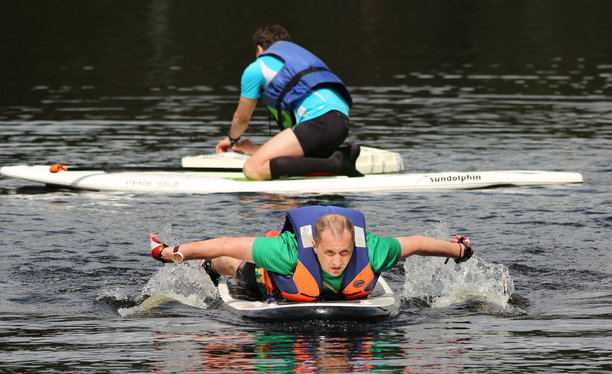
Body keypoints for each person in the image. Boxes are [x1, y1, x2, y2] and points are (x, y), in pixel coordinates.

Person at [150, 206, 473, 302]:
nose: (337, 261)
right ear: (314, 246)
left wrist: (459, 249)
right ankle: (213, 269)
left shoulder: (374, 249)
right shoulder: (286, 251)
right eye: (329, 252)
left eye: (345, 252)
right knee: (231, 264)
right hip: (270, 280)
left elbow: (416, 243)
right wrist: (170, 253)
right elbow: (221, 243)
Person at [215, 25, 361, 181]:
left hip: (319, 122)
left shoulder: (258, 67)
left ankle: (336, 163)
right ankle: (337, 158)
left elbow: (241, 119)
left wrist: (232, 140)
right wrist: (255, 150)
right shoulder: (301, 58)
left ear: (259, 49)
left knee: (252, 169)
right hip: (340, 123)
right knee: (266, 164)